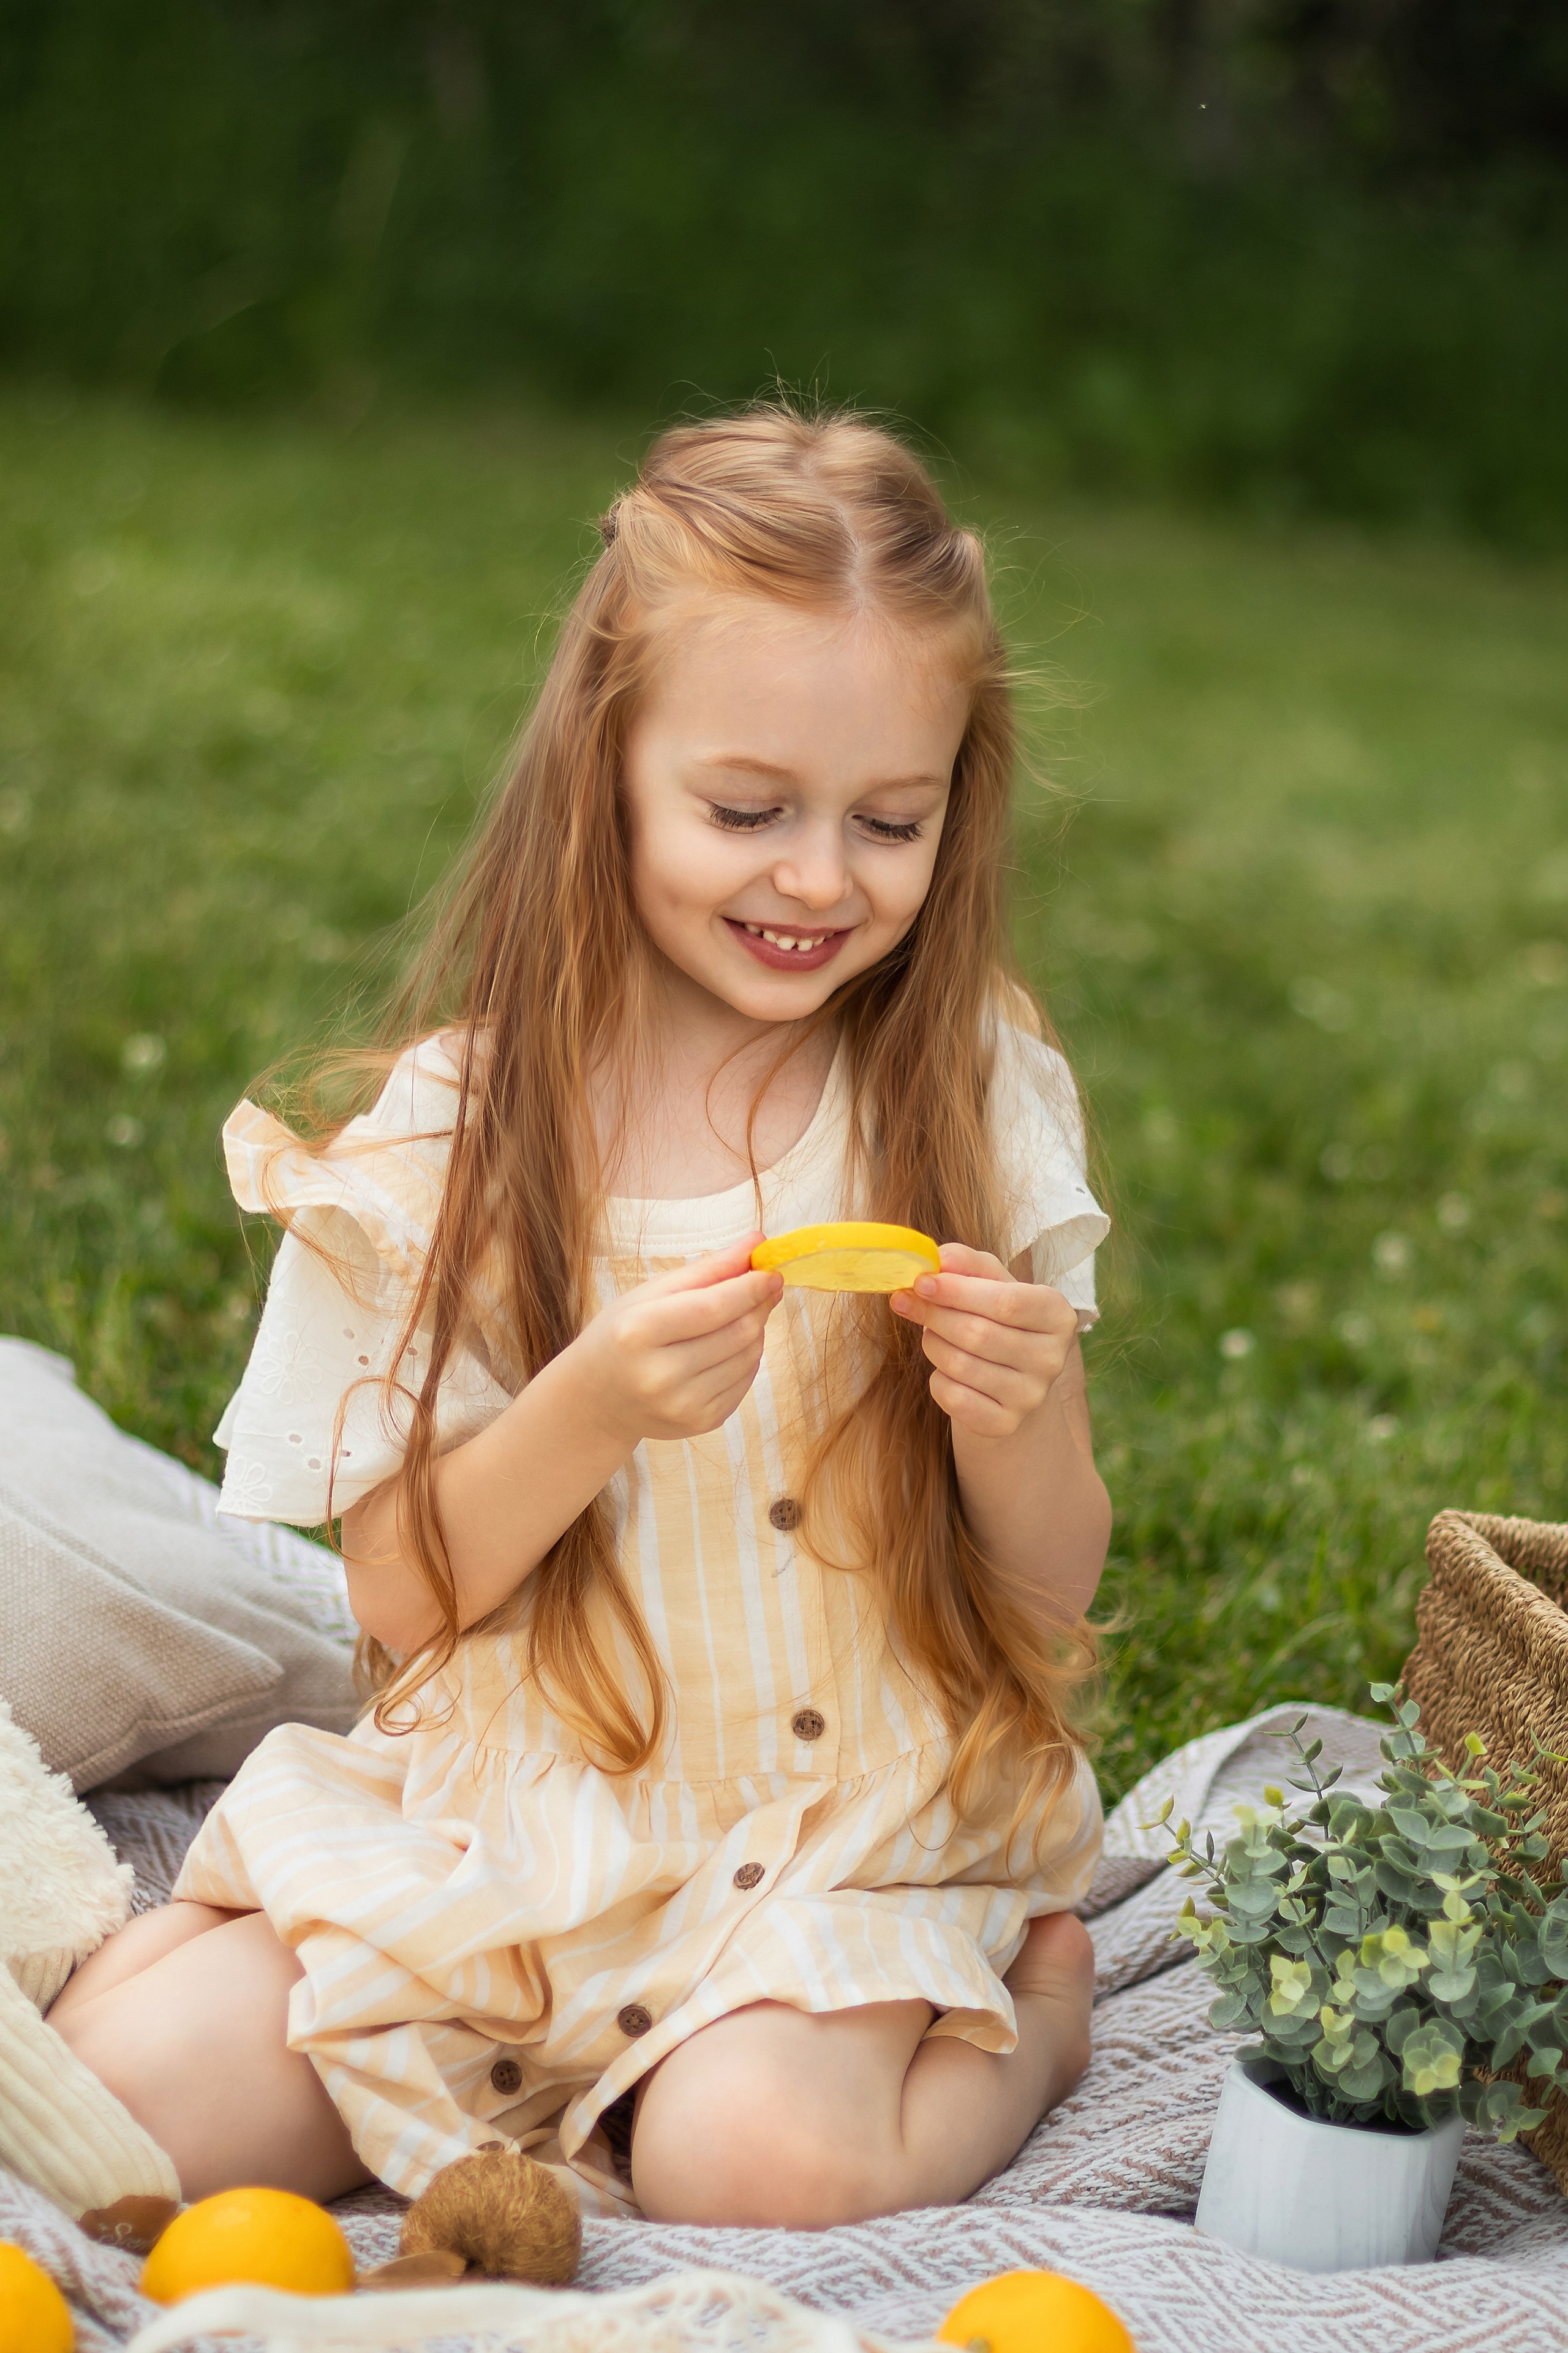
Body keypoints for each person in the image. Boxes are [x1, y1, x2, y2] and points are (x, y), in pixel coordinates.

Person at [50, 406, 1112, 2230]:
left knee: (750, 2162)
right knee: (125, 2114)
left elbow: (1051, 1586)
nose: (819, 877)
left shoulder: (968, 1092)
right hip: (519, 1822)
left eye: (890, 822)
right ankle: (509, 2057)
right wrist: (588, 1406)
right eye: (746, 810)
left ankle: (1032, 2027)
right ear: (604, 767)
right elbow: (398, 1597)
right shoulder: (448, 1145)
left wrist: (1016, 1419)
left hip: (834, 1829)